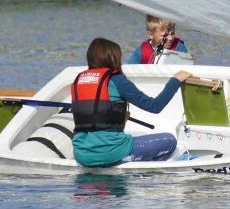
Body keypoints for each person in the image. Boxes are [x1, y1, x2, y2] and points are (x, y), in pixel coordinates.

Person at [71, 37, 192, 167]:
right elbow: (154, 106)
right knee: (169, 140)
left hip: (81, 154)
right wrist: (176, 80)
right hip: (110, 153)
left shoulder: (77, 81)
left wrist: (120, 117)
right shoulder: (117, 80)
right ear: (113, 58)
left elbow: (94, 115)